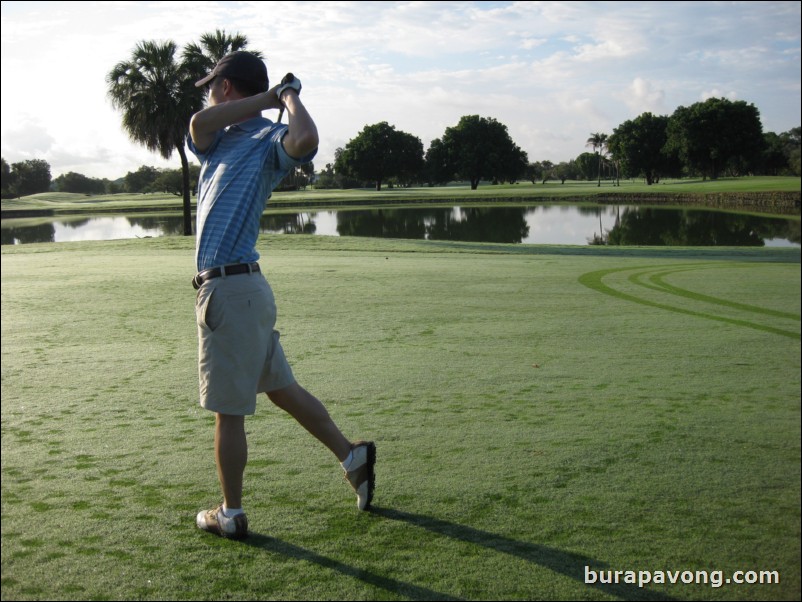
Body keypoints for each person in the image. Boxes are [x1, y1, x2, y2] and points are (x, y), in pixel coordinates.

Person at [188, 51, 375, 540]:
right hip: (241, 290)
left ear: (226, 86)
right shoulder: (216, 141)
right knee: (281, 389)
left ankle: (230, 512)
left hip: (232, 289)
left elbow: (307, 139)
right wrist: (270, 96)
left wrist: (288, 97)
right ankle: (352, 456)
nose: (209, 92)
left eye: (213, 84)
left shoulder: (271, 140)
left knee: (229, 411)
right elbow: (199, 122)